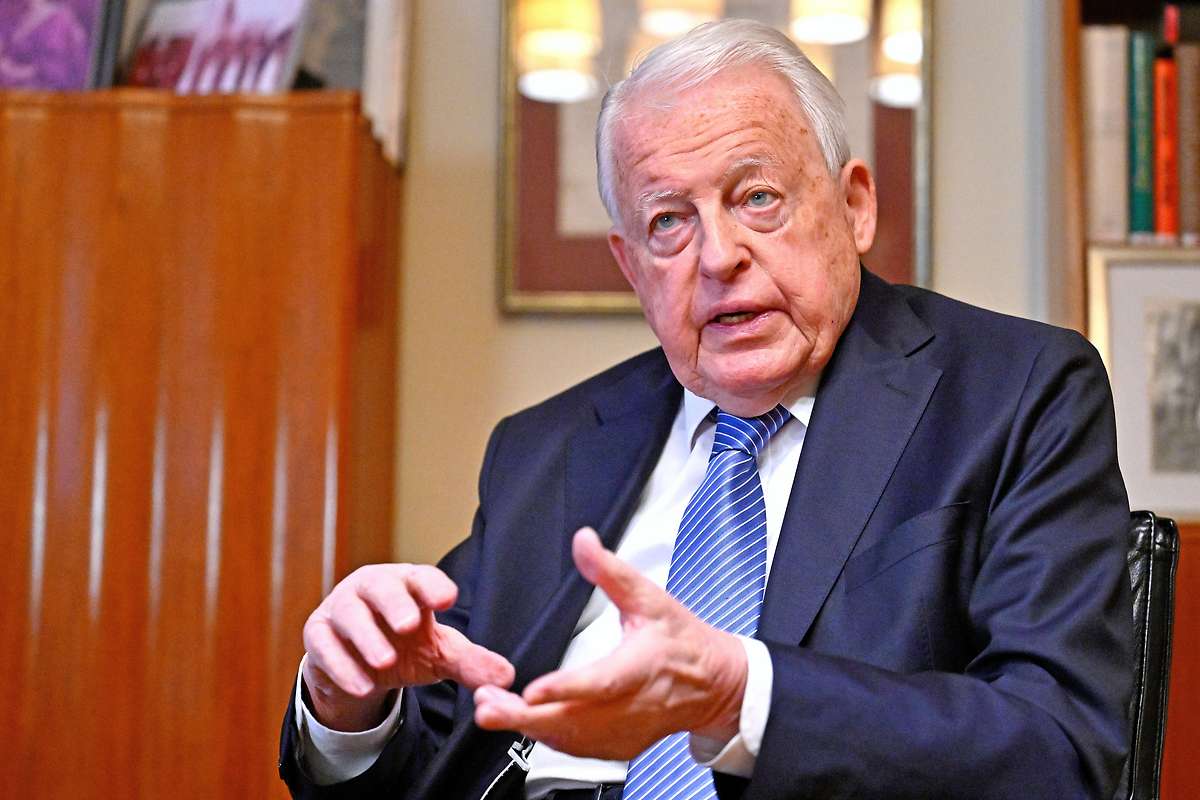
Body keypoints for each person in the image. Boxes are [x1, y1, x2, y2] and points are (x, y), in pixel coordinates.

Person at [279, 19, 1132, 800]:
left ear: (855, 207)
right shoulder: (547, 447)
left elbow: (1059, 749)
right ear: (631, 265)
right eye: (669, 222)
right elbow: (442, 744)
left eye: (757, 197)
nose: (719, 256)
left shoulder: (1013, 392)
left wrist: (740, 697)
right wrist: (349, 704)